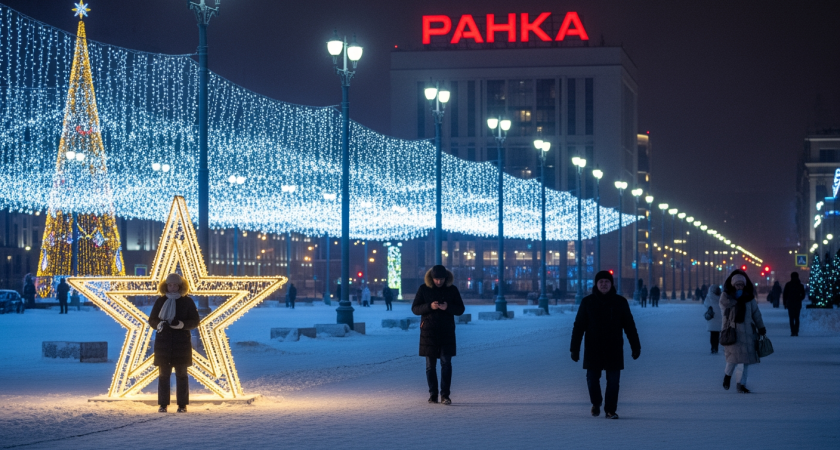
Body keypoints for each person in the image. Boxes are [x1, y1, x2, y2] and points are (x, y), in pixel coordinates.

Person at [570, 271, 641, 419]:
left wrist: (636, 346)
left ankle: (610, 410)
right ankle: (596, 403)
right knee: (592, 380)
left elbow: (629, 326)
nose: (604, 284)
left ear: (611, 284)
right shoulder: (587, 302)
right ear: (596, 284)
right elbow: (579, 327)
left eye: (606, 282)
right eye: (601, 282)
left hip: (613, 349)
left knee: (613, 382)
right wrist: (574, 349)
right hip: (593, 348)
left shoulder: (620, 302)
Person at [412, 264, 465, 406]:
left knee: (446, 364)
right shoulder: (424, 289)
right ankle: (433, 394)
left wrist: (448, 307)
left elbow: (460, 309)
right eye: (436, 279)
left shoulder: (452, 290)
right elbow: (415, 309)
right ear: (431, 278)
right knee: (430, 366)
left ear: (446, 278)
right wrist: (430, 306)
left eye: (441, 279)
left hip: (446, 332)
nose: (439, 282)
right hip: (428, 333)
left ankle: (445, 395)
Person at [148, 273, 199, 413]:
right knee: (163, 376)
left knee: (182, 375)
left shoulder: (187, 302)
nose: (172, 287)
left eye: (175, 285)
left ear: (180, 286)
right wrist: (159, 325)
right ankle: (163, 404)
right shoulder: (160, 301)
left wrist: (181, 324)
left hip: (181, 345)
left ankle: (182, 405)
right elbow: (152, 319)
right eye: (170, 285)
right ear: (166, 286)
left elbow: (195, 321)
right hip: (163, 345)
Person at [719, 270, 765, 394]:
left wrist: (761, 327)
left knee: (745, 362)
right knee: (732, 360)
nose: (740, 287)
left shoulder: (749, 298)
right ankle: (727, 376)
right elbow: (724, 309)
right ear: (733, 285)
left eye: (742, 284)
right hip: (733, 332)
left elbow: (756, 314)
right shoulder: (727, 297)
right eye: (737, 284)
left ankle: (741, 384)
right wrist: (734, 299)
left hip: (748, 333)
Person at [782, 272, 805, 336]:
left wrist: (785, 303)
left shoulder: (788, 285)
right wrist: (799, 299)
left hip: (790, 303)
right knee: (797, 318)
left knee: (791, 318)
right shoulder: (800, 285)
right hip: (797, 303)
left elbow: (785, 295)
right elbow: (803, 295)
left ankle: (792, 331)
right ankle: (796, 331)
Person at [703, 285, 722, 354]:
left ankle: (713, 348)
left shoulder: (709, 297)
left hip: (713, 318)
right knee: (717, 335)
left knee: (713, 335)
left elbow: (705, 304)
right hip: (720, 318)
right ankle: (716, 347)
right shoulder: (721, 297)